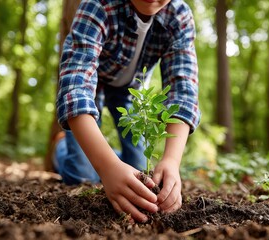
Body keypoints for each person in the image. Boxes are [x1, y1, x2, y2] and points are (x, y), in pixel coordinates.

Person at [55, 0, 200, 223]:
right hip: (93, 84)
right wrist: (108, 167)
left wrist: (171, 160)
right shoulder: (98, 5)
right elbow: (76, 89)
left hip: (131, 91)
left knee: (139, 172)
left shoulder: (178, 16)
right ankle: (62, 145)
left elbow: (183, 91)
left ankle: (106, 155)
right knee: (82, 176)